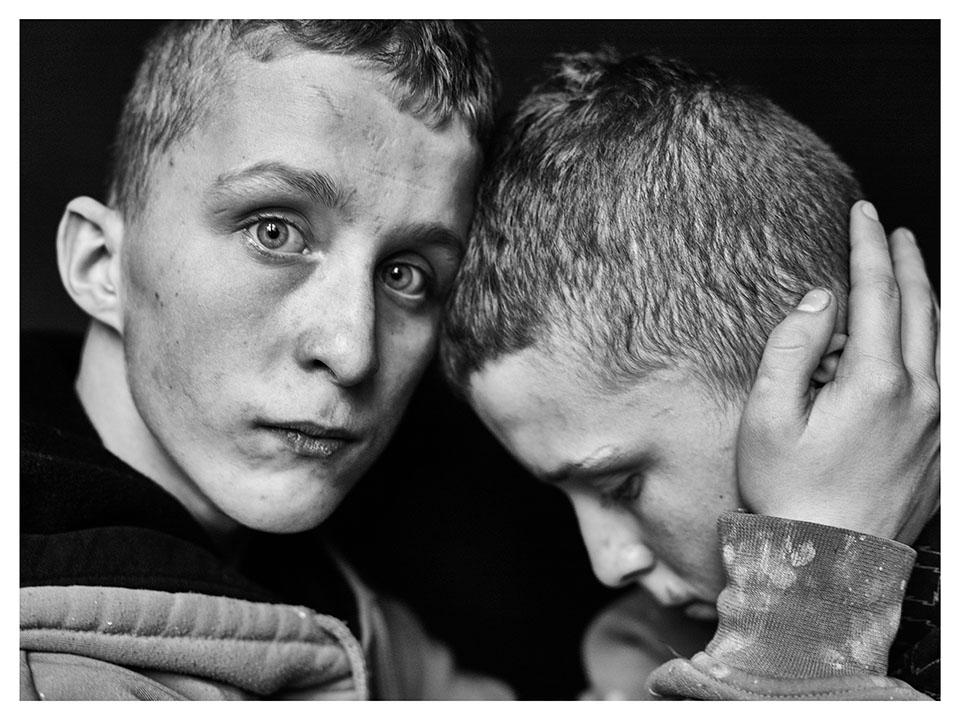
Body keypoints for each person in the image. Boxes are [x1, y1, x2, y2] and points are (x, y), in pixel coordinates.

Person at [20, 19, 515, 700]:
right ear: (102, 266)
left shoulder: (331, 592)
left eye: (405, 275)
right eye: (274, 231)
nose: (351, 350)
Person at [442, 50, 940, 700]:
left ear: (824, 375)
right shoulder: (640, 657)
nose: (608, 563)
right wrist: (814, 603)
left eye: (620, 486)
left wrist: (814, 581)